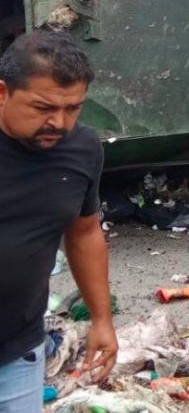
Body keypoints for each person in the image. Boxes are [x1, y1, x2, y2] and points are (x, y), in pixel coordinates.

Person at [0, 31, 117, 411]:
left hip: (17, 350)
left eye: (73, 108)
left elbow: (83, 232)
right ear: (3, 93)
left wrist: (101, 318)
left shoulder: (82, 149)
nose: (59, 123)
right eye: (42, 108)